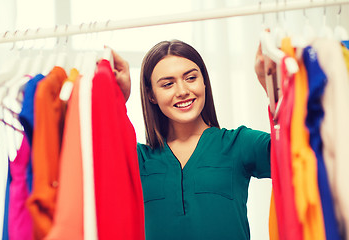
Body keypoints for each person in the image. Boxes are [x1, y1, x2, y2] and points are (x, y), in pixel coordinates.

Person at [112, 39, 272, 240]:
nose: (182, 91)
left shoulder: (239, 144)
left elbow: (299, 154)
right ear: (151, 95)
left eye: (190, 78)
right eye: (168, 84)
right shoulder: (138, 159)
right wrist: (118, 100)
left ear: (204, 81)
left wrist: (273, 89)